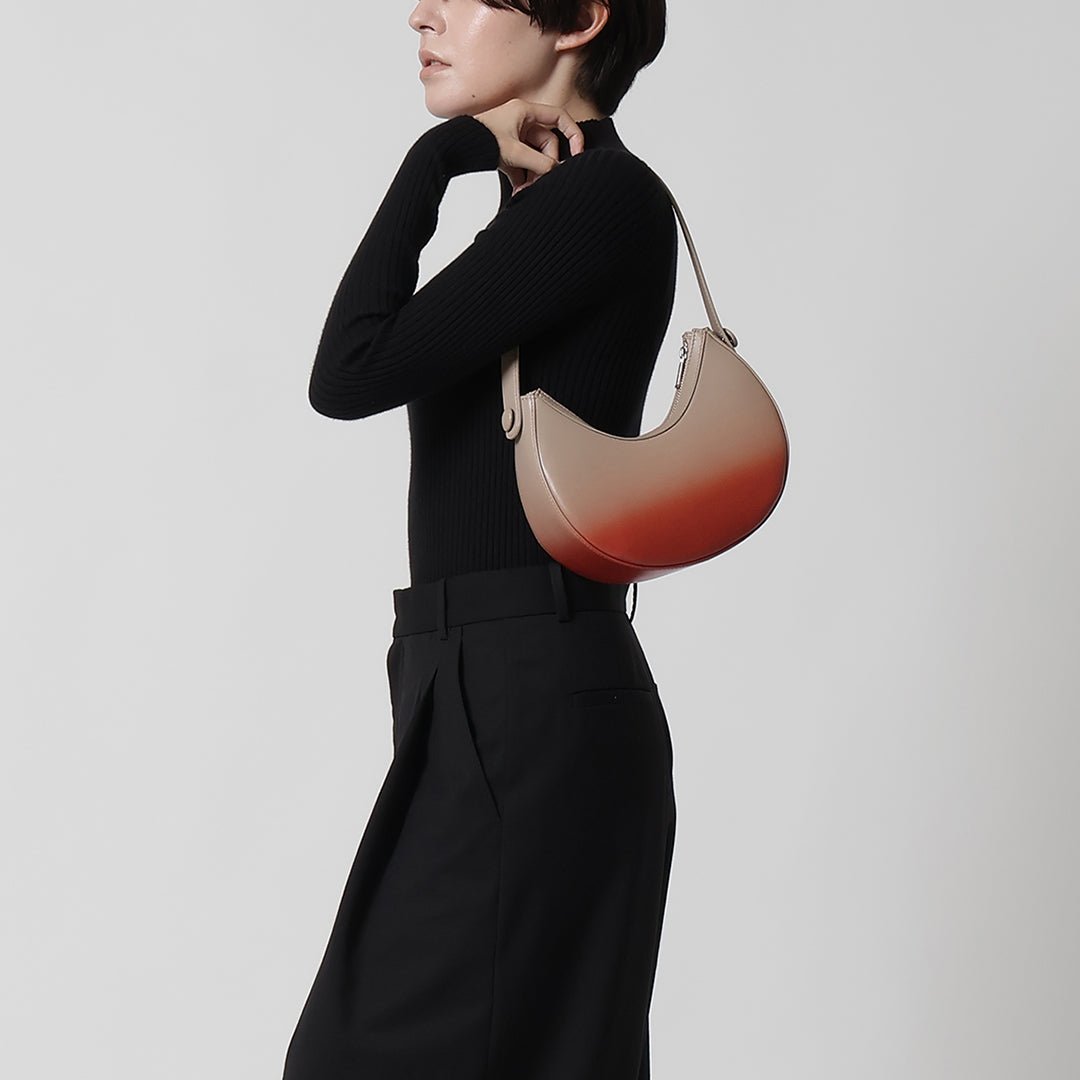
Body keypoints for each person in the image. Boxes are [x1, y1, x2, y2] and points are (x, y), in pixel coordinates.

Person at [283, 2, 677, 1077]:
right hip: (483, 686)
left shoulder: (604, 200)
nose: (422, 13)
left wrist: (435, 158)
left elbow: (349, 371)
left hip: (527, 690)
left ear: (578, 19)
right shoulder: (542, 212)